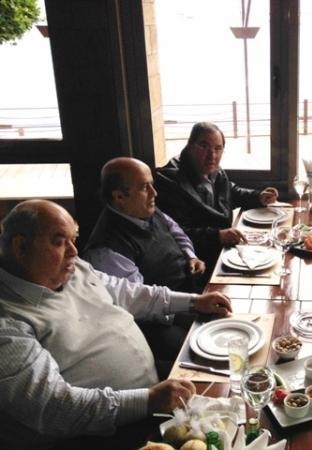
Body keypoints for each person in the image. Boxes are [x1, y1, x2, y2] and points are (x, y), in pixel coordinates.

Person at [0, 200, 232, 449]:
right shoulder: (9, 322)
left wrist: (194, 301)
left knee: (231, 379)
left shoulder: (72, 269)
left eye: (73, 239)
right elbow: (54, 408)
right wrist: (148, 400)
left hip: (151, 392)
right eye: (59, 242)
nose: (74, 251)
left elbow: (127, 293)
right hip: (98, 434)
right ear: (21, 247)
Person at [83, 157, 209, 364]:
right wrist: (190, 309)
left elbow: (176, 231)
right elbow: (139, 303)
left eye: (152, 185)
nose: (154, 193)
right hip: (160, 320)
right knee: (204, 349)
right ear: (119, 196)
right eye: (144, 187)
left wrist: (190, 255)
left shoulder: (143, 209)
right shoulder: (107, 249)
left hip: (187, 291)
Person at [154, 122, 279, 275]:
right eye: (204, 146)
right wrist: (217, 236)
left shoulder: (212, 170)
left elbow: (230, 192)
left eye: (218, 148)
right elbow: (174, 233)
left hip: (223, 251)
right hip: (198, 263)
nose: (212, 155)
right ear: (190, 146)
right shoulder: (169, 181)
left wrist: (258, 196)